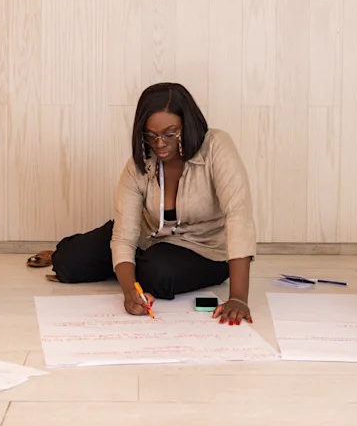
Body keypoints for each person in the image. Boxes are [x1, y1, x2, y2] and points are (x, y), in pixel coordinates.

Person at [27, 83, 257, 324]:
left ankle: (130, 267)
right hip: (147, 239)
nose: (159, 143)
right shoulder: (139, 163)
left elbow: (238, 216)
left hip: (203, 249)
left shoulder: (216, 146)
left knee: (158, 275)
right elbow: (124, 236)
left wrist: (239, 297)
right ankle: (99, 261)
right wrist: (130, 292)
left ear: (187, 125)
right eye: (151, 135)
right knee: (68, 263)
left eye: (170, 133)